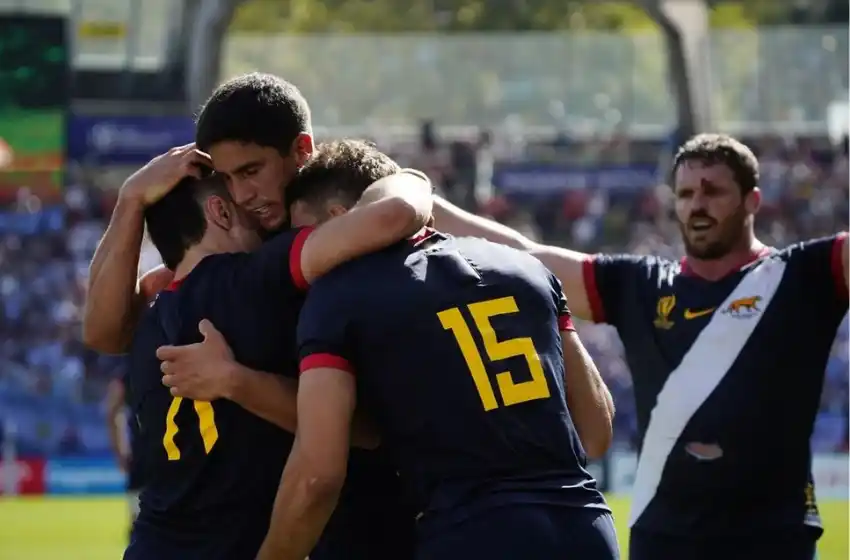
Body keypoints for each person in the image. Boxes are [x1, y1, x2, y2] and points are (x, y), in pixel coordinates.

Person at [430, 133, 849, 560]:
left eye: (713, 191)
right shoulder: (642, 284)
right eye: (685, 193)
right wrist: (426, 207)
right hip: (664, 539)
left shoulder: (801, 275)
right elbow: (525, 256)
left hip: (775, 539)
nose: (697, 205)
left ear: (752, 201)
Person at [83, 73, 424, 560]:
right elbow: (361, 431)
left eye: (251, 171)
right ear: (219, 213)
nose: (245, 197)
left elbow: (100, 330)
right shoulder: (261, 272)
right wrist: (416, 179)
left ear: (301, 150)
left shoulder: (154, 310)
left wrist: (132, 199)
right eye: (232, 182)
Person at [251, 140, 618, 560]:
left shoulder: (339, 295)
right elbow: (596, 431)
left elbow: (318, 475)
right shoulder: (526, 268)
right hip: (585, 527)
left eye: (304, 238)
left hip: (471, 534)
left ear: (339, 220)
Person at [105, 373, 144, 535]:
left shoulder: (130, 371)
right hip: (160, 456)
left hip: (143, 456)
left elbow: (112, 412)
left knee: (140, 527)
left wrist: (119, 450)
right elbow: (112, 412)